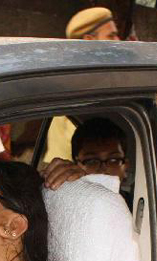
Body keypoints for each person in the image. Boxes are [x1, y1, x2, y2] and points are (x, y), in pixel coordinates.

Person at [44, 8, 121, 165]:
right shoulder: (82, 83)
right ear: (89, 41)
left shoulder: (92, 78)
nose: (118, 41)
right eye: (111, 35)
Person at [41, 118, 131, 202]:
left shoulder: (139, 204)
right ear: (77, 165)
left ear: (126, 167)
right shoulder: (69, 200)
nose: (103, 169)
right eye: (92, 161)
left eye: (113, 160)